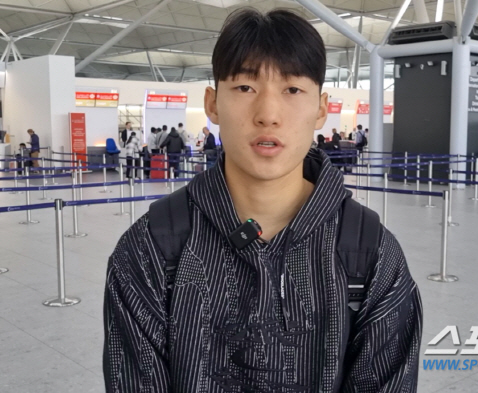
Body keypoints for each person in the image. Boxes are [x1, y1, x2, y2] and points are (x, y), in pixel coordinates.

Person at [104, 8, 421, 392]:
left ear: (320, 109)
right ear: (213, 103)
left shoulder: (368, 252)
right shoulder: (151, 249)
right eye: (245, 87)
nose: (268, 114)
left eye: (292, 90)